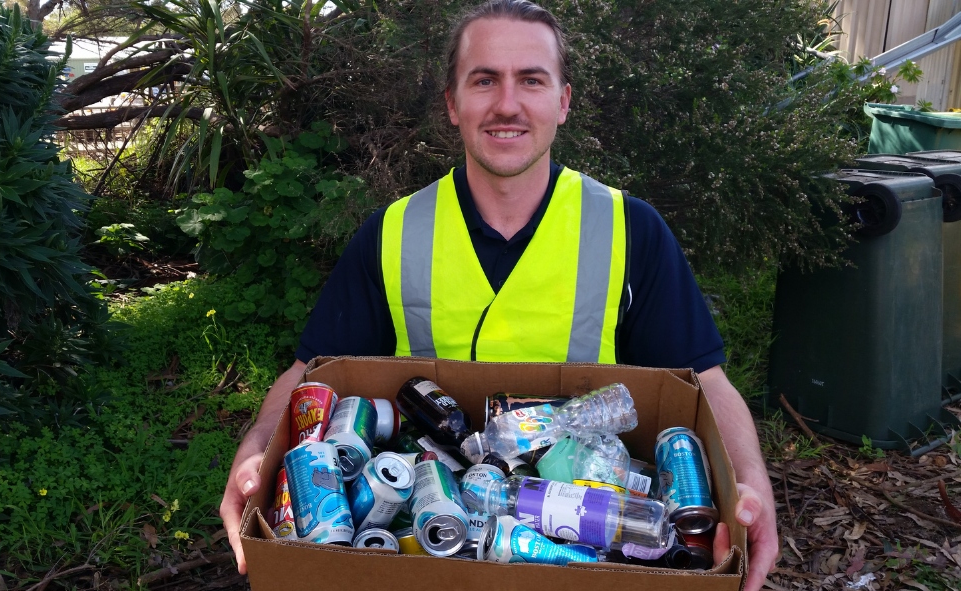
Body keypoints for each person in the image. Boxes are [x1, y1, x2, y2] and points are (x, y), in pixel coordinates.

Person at [221, 1, 779, 588]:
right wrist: (257, 448)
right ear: (452, 104)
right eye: (484, 80)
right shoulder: (393, 233)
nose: (507, 104)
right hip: (438, 553)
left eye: (531, 80)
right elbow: (311, 371)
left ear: (563, 102)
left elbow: (706, 381)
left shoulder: (630, 230)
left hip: (586, 542)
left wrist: (749, 483)